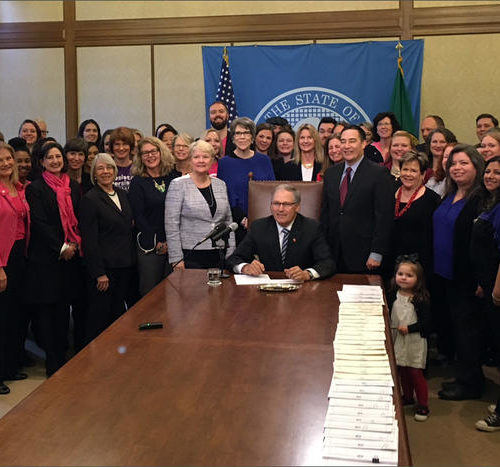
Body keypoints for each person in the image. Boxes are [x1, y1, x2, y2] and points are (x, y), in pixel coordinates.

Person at [25, 142, 83, 376]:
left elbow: (80, 218)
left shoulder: (74, 186)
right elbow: (39, 223)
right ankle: (53, 361)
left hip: (72, 258)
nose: (55, 161)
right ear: (41, 162)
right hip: (47, 259)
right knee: (48, 311)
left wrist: (76, 243)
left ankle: (64, 355)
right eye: (50, 158)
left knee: (63, 310)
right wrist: (61, 247)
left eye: (58, 156)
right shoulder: (36, 188)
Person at [433, 144, 485, 400]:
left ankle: (472, 384)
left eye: (464, 163)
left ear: (477, 166)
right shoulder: (450, 194)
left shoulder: (480, 200)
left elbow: (483, 245)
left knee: (468, 332)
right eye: (453, 163)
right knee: (456, 329)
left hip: (467, 278)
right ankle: (464, 375)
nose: (457, 168)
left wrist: (480, 279)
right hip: (445, 274)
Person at [321, 125, 394, 273]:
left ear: (363, 144)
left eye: (352, 141)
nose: (346, 146)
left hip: (365, 255)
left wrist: (377, 252)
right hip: (334, 253)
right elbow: (326, 214)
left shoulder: (379, 174)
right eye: (343, 141)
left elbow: (384, 217)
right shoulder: (330, 174)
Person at [79, 153, 136, 343]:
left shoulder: (122, 194)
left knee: (118, 313)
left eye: (109, 167)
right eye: (101, 168)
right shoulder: (90, 199)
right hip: (104, 270)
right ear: (94, 174)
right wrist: (99, 273)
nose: (106, 172)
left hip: (124, 265)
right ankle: (92, 360)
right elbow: (89, 240)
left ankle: (114, 356)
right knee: (99, 317)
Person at [227, 184, 335, 280]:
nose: (280, 209)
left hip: (301, 291)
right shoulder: (259, 227)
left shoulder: (312, 228)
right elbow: (234, 259)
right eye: (276, 203)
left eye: (286, 204)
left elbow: (327, 263)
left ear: (297, 207)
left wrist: (307, 274)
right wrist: (245, 267)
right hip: (267, 291)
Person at [165, 140, 235, 269]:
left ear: (212, 160)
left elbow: (228, 220)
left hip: (219, 253)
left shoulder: (221, 184)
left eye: (205, 157)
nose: (201, 160)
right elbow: (171, 224)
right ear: (190, 160)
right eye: (196, 157)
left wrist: (231, 250)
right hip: (190, 254)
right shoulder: (178, 184)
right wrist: (176, 258)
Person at [129, 137, 176, 296]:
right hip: (150, 245)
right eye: (145, 153)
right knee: (150, 294)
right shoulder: (138, 182)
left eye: (153, 151)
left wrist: (170, 241)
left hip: (174, 244)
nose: (150, 156)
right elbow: (138, 216)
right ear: (140, 157)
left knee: (173, 292)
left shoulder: (173, 176)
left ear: (161, 152)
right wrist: (158, 241)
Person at [0, 143, 30, 395]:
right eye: (0, 160)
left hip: (20, 255)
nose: (6, 163)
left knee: (15, 315)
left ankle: (9, 367)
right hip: (2, 259)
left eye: (8, 158)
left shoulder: (19, 188)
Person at [217, 117, 275, 243]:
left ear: (252, 137)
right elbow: (225, 197)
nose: (242, 137)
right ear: (233, 137)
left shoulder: (264, 161)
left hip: (264, 223)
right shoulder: (224, 163)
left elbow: (271, 191)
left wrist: (258, 219)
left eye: (246, 133)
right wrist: (242, 219)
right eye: (238, 133)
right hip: (236, 225)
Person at [388, 256, 431, 421]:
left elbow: (427, 323)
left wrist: (410, 328)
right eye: (400, 274)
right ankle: (407, 396)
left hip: (414, 341)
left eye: (409, 275)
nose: (404, 278)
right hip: (398, 338)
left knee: (415, 371)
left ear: (418, 279)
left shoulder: (420, 299)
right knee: (402, 370)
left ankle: (423, 404)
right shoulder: (393, 294)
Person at [387, 151, 440, 279]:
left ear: (422, 174)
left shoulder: (432, 199)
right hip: (389, 261)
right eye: (405, 169)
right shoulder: (389, 191)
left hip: (418, 265)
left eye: (413, 171)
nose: (408, 174)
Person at [471, 156, 500, 370]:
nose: (490, 176)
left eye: (497, 173)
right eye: (488, 171)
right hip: (486, 280)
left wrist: (497, 289)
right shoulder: (488, 201)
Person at [110, 126, 135, 192]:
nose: (121, 148)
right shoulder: (107, 168)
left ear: (130, 146)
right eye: (117, 144)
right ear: (112, 147)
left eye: (125, 144)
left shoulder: (138, 168)